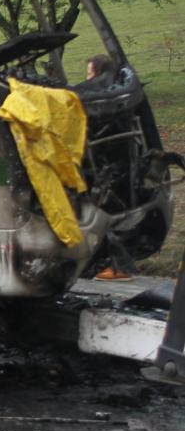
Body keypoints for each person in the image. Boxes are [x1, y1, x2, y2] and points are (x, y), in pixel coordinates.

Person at [85, 54, 135, 281]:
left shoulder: (105, 101)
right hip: (118, 164)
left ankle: (120, 268)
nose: (87, 78)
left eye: (90, 74)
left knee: (108, 215)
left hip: (112, 168)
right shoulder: (117, 93)